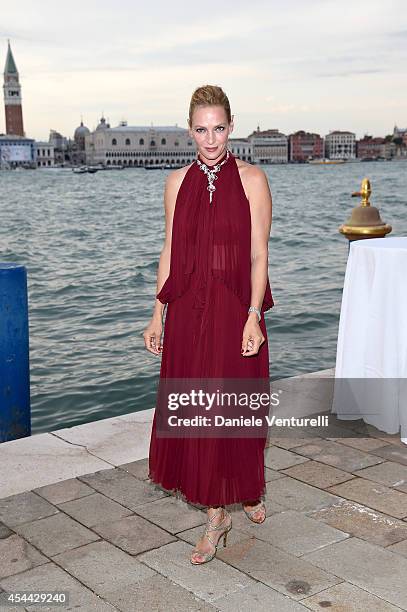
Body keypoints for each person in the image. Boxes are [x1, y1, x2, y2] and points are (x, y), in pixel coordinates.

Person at [143, 84, 274, 565]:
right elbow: (170, 252)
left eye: (218, 128)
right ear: (190, 130)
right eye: (201, 130)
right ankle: (218, 515)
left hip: (236, 312)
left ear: (232, 126)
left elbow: (260, 253)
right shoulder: (176, 183)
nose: (211, 139)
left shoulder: (254, 180)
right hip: (188, 314)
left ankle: (245, 488)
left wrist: (253, 315)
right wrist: (157, 312)